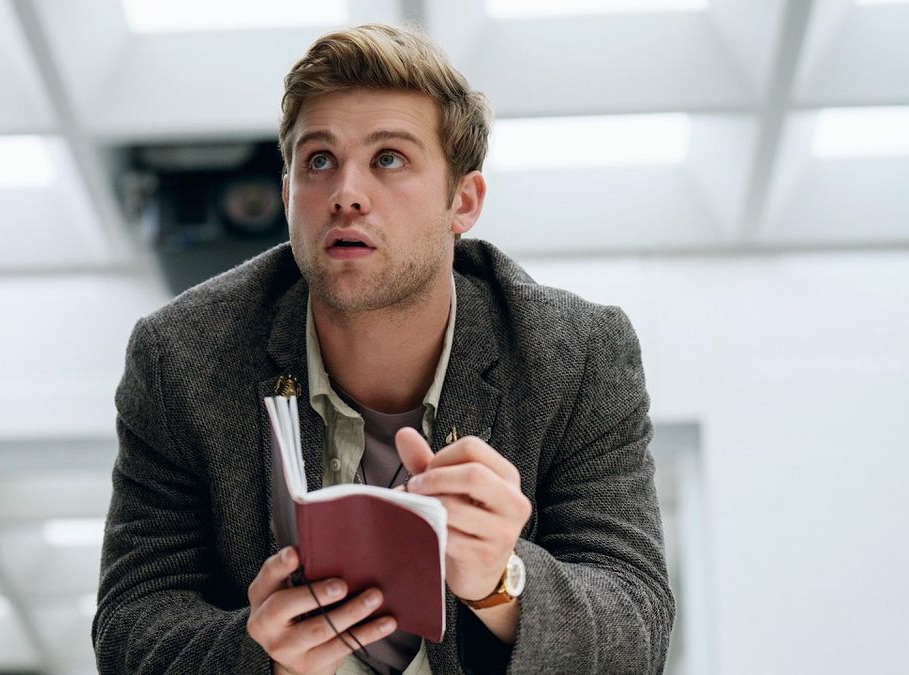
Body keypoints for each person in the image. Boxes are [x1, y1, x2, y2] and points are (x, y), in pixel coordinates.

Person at [94, 23, 675, 675]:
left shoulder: (576, 354)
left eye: (389, 159)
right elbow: (129, 626)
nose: (346, 192)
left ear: (464, 200)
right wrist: (258, 656)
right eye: (318, 161)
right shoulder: (180, 357)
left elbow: (638, 626)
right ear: (288, 197)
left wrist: (500, 581)